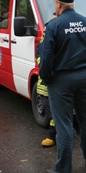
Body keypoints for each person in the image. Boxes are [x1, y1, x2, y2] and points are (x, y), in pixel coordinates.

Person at [39, 0, 86, 173]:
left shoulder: (54, 26)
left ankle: (64, 169)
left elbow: (46, 58)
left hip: (62, 80)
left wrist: (47, 79)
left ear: (58, 4)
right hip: (85, 77)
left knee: (64, 124)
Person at [37, 12, 57, 148]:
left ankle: (54, 135)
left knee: (56, 112)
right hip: (45, 82)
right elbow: (40, 54)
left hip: (55, 83)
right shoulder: (48, 29)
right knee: (49, 107)